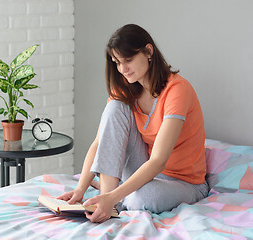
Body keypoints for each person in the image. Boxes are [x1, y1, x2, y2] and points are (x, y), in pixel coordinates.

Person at [58, 24, 209, 223]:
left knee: (144, 197)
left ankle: (111, 196)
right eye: (117, 62)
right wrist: (80, 189)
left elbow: (158, 161)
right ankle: (109, 198)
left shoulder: (177, 90)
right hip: (143, 171)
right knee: (115, 108)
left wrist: (112, 196)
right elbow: (100, 143)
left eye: (128, 60)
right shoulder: (126, 89)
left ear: (148, 51)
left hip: (184, 183)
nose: (122, 69)